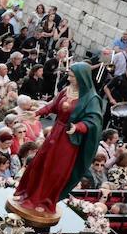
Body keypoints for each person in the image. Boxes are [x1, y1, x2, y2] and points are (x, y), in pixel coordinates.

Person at [8, 64, 104, 225]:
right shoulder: (66, 91)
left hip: (68, 140)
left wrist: (78, 127)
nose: (69, 78)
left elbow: (94, 121)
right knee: (40, 163)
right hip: (55, 133)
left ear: (81, 77)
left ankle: (45, 201)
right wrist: (37, 113)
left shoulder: (91, 98)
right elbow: (52, 106)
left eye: (72, 76)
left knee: (56, 170)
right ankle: (29, 195)